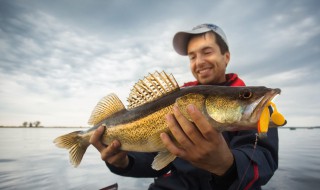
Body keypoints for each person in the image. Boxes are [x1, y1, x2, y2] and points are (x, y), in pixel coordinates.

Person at [90, 23, 279, 190]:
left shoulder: (254, 110)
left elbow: (263, 162)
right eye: (192, 56)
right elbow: (157, 163)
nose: (199, 61)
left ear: (226, 57)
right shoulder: (176, 102)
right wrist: (124, 162)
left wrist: (226, 165)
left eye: (207, 52)